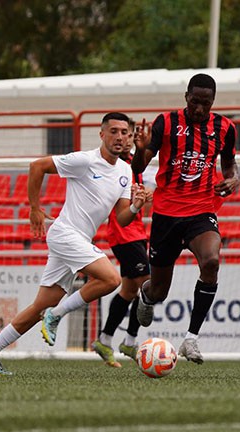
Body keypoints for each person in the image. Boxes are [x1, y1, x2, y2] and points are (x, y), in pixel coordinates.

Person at [0, 112, 147, 376]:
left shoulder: (125, 170)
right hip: (66, 233)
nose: (119, 137)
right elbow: (37, 166)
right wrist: (35, 208)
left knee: (40, 306)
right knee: (112, 280)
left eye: (125, 132)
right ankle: (56, 316)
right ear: (102, 134)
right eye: (113, 131)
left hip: (77, 240)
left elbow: (123, 218)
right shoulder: (85, 160)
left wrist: (136, 205)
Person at [131, 73, 239, 364]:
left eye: (206, 103)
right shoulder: (165, 123)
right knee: (159, 290)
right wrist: (140, 150)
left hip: (202, 210)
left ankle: (191, 339)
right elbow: (139, 165)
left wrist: (233, 180)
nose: (200, 109)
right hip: (166, 214)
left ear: (213, 101)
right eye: (195, 102)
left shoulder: (225, 128)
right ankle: (146, 294)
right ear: (186, 97)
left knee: (212, 261)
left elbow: (229, 166)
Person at [91, 118, 154, 368]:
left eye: (127, 134)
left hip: (136, 232)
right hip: (123, 233)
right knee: (148, 286)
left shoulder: (133, 162)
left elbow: (141, 181)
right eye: (118, 133)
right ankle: (129, 340)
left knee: (129, 290)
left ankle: (105, 340)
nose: (123, 138)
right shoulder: (115, 163)